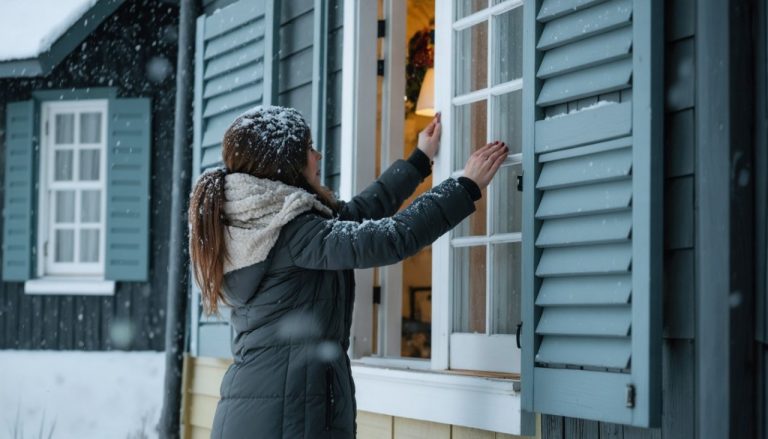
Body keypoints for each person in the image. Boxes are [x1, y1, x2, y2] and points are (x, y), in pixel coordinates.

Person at [188, 105, 508, 439]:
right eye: (308, 150)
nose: (318, 155)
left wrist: (418, 161)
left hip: (271, 409)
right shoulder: (291, 233)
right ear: (285, 165)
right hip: (287, 418)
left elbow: (354, 217)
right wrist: (465, 185)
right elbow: (388, 239)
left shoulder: (262, 225)